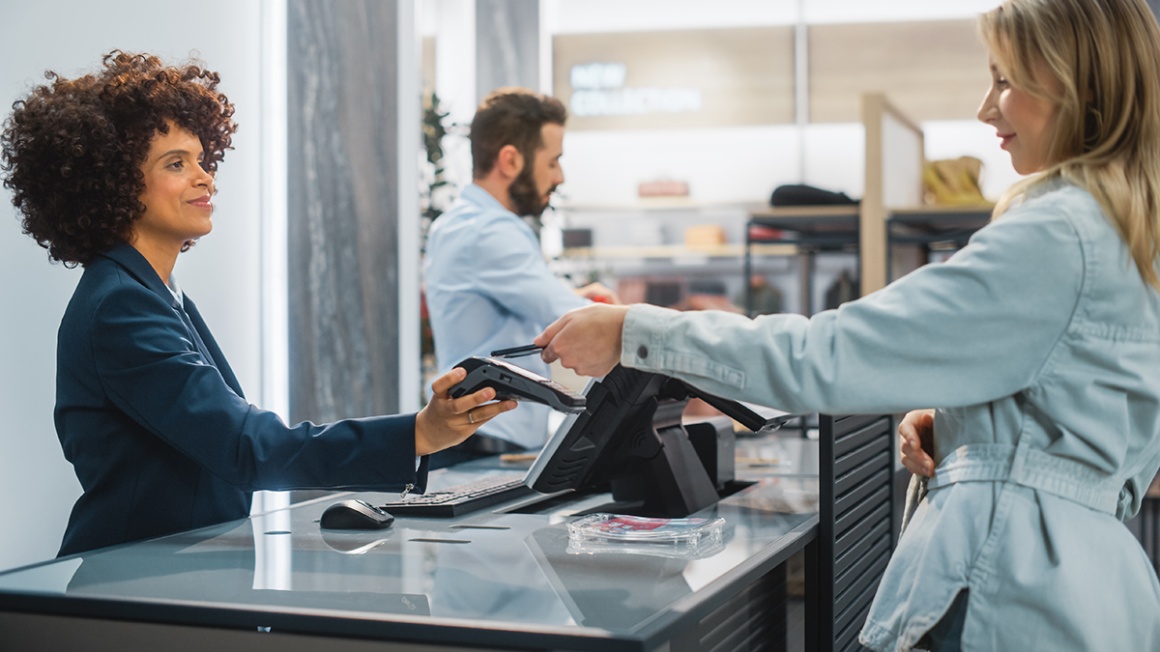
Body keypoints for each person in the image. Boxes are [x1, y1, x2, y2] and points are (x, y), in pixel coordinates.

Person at [534, 1, 1160, 649]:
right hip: (1093, 591)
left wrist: (635, 333)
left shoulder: (1058, 234)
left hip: (1013, 588)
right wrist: (970, 433)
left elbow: (826, 356)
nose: (985, 107)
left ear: (1078, 81)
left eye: (1005, 79)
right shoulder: (1131, 231)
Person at [0, 51, 514, 557]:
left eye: (202, 159)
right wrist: (418, 433)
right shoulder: (121, 308)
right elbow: (247, 446)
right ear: (113, 182)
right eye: (176, 164)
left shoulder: (151, 293)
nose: (205, 177)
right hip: (131, 585)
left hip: (170, 577)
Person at [422, 87, 616, 467]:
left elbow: (505, 301)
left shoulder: (463, 223)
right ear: (510, 160)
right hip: (485, 444)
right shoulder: (489, 232)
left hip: (478, 440)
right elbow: (568, 315)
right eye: (553, 162)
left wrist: (577, 297)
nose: (559, 177)